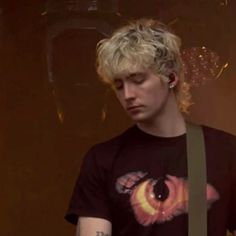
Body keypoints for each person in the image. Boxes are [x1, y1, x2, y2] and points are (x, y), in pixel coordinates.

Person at [65, 18, 236, 236]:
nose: (127, 95)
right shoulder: (102, 159)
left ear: (171, 77)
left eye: (138, 80)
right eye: (119, 86)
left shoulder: (225, 151)